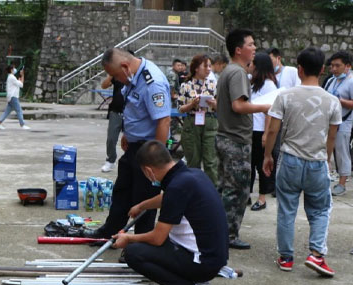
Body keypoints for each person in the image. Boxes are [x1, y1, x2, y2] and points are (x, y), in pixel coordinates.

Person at [112, 140, 228, 285]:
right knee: (156, 243)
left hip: (203, 263)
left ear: (148, 171)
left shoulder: (177, 187)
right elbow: (167, 198)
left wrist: (128, 238)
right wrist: (142, 205)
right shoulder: (192, 175)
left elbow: (157, 238)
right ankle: (193, 279)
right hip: (213, 257)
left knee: (133, 253)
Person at [262, 46, 341, 277]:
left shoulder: (285, 96)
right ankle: (316, 254)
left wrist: (268, 156)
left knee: (287, 210)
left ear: (299, 69)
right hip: (317, 161)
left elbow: (274, 130)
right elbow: (332, 136)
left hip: (290, 159)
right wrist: (326, 160)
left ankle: (286, 258)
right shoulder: (332, 101)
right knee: (320, 210)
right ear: (323, 69)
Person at [83, 48, 171, 242]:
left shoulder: (152, 82)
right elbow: (134, 108)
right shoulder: (133, 76)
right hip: (134, 145)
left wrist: (156, 160)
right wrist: (127, 134)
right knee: (122, 190)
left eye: (115, 76)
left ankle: (139, 241)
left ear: (124, 66)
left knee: (145, 197)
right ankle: (111, 231)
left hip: (148, 149)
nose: (116, 80)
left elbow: (163, 121)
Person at [215, 28, 271, 250]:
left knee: (225, 187)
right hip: (235, 140)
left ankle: (218, 230)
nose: (254, 48)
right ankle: (227, 235)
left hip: (225, 137)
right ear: (239, 50)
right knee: (237, 191)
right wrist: (265, 106)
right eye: (250, 44)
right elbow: (238, 105)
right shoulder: (237, 73)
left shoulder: (228, 71)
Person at [176, 54, 218, 185]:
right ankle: (195, 190)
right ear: (196, 68)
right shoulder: (186, 86)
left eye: (210, 66)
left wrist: (214, 104)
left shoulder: (213, 84)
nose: (209, 69)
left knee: (210, 161)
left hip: (210, 121)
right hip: (191, 122)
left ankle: (212, 192)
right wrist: (192, 105)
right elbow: (180, 108)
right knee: (193, 160)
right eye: (205, 66)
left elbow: (221, 106)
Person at [249, 53, 277, 211]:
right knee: (249, 164)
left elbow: (269, 112)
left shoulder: (269, 85)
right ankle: (247, 194)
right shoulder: (252, 83)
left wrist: (266, 134)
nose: (250, 65)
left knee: (261, 165)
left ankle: (262, 198)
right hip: (250, 129)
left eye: (253, 63)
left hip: (260, 131)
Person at [323, 51, 353, 196]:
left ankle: (342, 183)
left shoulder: (351, 81)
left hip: (345, 121)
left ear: (347, 66)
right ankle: (324, 177)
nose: (334, 69)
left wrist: (339, 101)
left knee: (342, 151)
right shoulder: (331, 80)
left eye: (337, 66)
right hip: (329, 121)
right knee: (326, 150)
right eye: (332, 66)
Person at [100, 74, 124, 173]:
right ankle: (111, 160)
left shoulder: (135, 75)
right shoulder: (117, 74)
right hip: (115, 111)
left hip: (131, 112)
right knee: (111, 138)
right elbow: (104, 85)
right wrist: (110, 75)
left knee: (132, 140)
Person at [0, 64, 30, 130]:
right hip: (13, 97)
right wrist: (22, 75)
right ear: (11, 70)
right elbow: (21, 85)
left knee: (7, 112)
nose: (15, 69)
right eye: (14, 68)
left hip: (10, 97)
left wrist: (19, 80)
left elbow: (17, 84)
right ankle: (22, 125)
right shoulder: (12, 77)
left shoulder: (11, 77)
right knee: (19, 110)